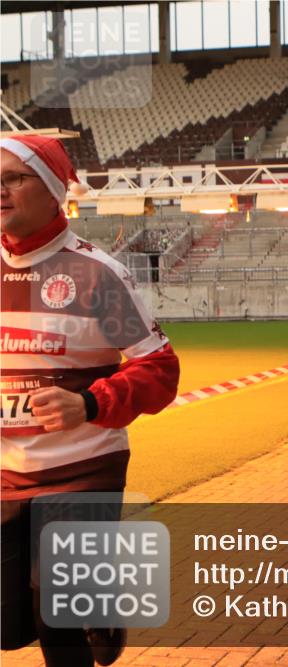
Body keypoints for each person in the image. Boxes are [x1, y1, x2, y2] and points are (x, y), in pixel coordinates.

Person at [1, 135, 180, 666]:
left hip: (83, 469)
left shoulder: (97, 273)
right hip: (7, 473)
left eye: (13, 179)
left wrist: (91, 404)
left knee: (56, 622)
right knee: (9, 627)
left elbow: (160, 370)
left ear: (52, 189)